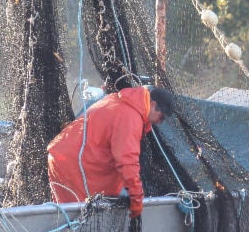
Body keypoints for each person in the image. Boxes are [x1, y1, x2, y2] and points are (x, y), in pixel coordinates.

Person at [47, 85, 175, 218]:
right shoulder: (130, 117)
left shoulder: (122, 101)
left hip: (62, 158)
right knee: (75, 220)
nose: (160, 122)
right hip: (74, 167)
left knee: (65, 220)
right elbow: (127, 161)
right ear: (153, 105)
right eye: (161, 117)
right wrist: (137, 199)